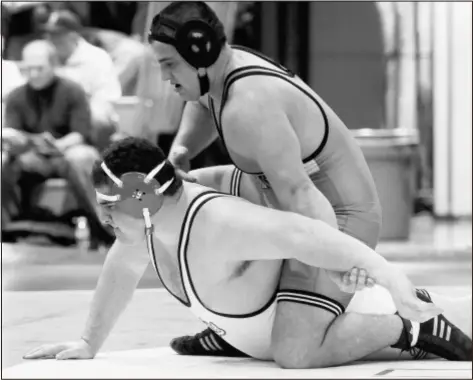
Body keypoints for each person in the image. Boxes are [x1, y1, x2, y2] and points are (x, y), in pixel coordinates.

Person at [22, 138, 471, 365]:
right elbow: (120, 271)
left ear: (142, 194)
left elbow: (308, 236)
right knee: (270, 341)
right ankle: (234, 335)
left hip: (350, 305)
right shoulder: (143, 227)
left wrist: (393, 281)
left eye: (106, 207)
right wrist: (88, 342)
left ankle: (408, 329)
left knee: (296, 356)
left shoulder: (221, 224)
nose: (102, 219)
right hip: (255, 323)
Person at [146, 1, 417, 366]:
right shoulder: (221, 70)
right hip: (276, 193)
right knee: (172, 200)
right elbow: (202, 102)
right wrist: (181, 151)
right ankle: (239, 328)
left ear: (199, 52)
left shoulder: (250, 106)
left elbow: (302, 195)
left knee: (296, 352)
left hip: (338, 214)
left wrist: (339, 262)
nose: (166, 78)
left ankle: (410, 330)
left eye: (169, 65)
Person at [1, 39, 113, 245]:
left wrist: (57, 145)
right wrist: (15, 141)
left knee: (82, 157)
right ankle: (7, 226)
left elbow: (80, 133)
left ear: (54, 66)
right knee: (3, 160)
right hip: (33, 156)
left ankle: (107, 227)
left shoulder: (72, 91)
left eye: (39, 68)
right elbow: (14, 133)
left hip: (67, 151)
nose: (33, 74)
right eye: (29, 69)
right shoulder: (17, 96)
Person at [41, 10, 122, 150]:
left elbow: (106, 100)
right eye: (49, 34)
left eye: (56, 34)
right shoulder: (44, 58)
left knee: (97, 117)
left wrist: (77, 115)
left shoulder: (96, 57)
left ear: (73, 35)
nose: (51, 39)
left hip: (90, 121)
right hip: (54, 118)